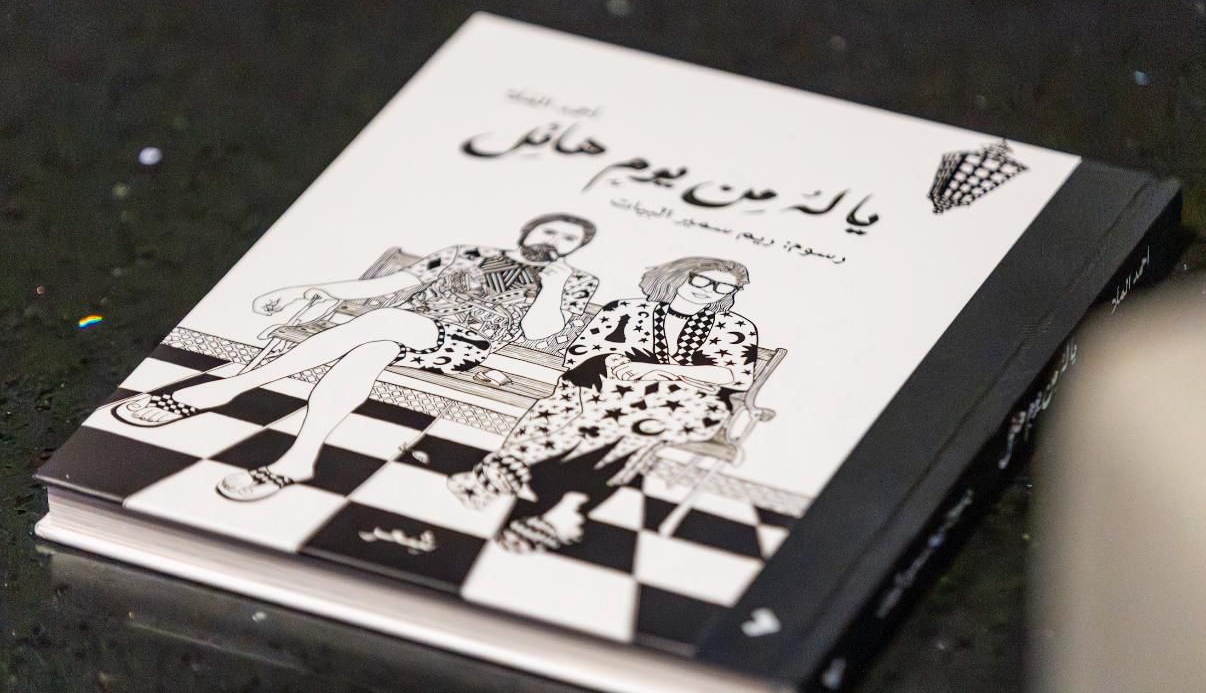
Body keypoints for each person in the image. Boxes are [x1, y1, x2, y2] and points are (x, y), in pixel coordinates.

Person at [113, 213, 600, 501]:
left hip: (459, 348)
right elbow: (392, 285)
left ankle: (227, 388)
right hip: (391, 329)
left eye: (568, 240)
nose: (555, 241)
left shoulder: (575, 281)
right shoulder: (465, 252)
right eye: (551, 231)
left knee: (385, 325)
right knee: (371, 347)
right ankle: (299, 459)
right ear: (530, 229)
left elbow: (539, 334)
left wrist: (551, 289)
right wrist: (312, 288)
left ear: (576, 249)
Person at [449, 255, 758, 552]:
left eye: (723, 287)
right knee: (584, 410)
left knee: (621, 422)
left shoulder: (735, 327)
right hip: (604, 390)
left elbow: (735, 375)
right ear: (677, 275)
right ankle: (570, 505)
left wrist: (654, 369)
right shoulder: (626, 309)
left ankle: (504, 472)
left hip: (683, 404)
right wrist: (617, 363)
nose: (710, 291)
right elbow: (580, 354)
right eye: (702, 280)